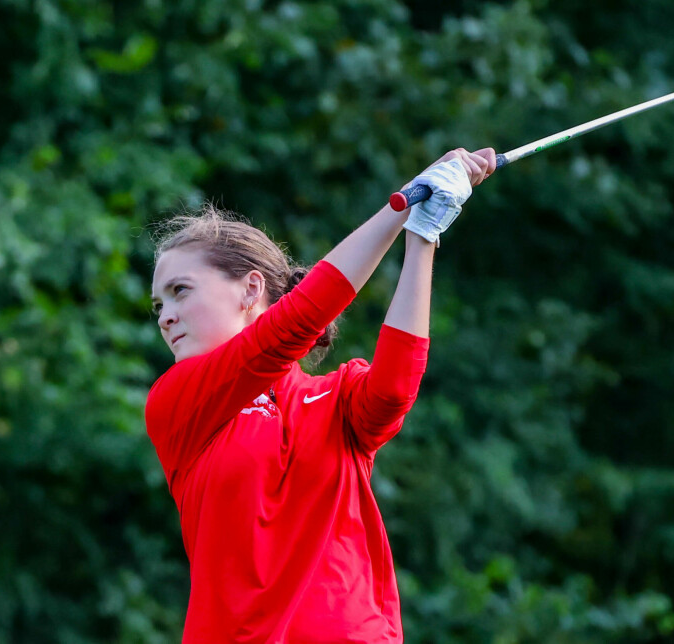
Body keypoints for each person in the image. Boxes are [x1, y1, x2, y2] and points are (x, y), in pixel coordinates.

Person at [145, 147, 496, 643]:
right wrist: (400, 205)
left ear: (250, 289)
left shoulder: (335, 398)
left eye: (181, 291)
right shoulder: (178, 402)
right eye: (159, 304)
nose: (165, 316)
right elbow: (296, 324)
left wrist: (422, 236)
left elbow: (394, 390)